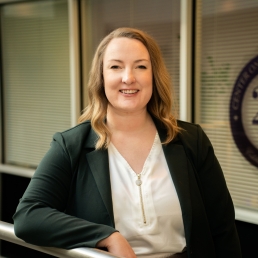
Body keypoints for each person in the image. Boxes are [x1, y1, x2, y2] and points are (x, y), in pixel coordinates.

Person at [13, 27, 241, 258]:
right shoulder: (71, 145)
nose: (129, 77)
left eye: (141, 66)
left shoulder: (192, 140)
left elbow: (222, 227)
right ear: (101, 77)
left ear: (154, 75)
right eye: (116, 66)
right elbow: (28, 216)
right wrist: (106, 236)